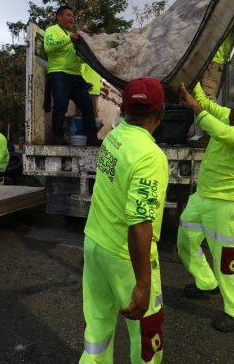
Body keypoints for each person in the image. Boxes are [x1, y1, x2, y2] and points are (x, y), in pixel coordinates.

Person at [80, 78, 168, 363]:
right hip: (125, 258)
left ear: (123, 109)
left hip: (95, 244)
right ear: (161, 111)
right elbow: (140, 223)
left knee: (97, 330)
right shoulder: (150, 156)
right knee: (146, 338)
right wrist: (143, 285)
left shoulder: (114, 136)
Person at [176, 81, 234, 332]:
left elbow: (223, 133)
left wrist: (196, 109)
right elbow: (207, 104)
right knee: (185, 242)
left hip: (228, 204)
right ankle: (206, 283)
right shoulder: (230, 115)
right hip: (202, 196)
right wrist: (192, 83)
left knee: (227, 260)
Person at [44, 5, 100, 146]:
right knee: (61, 104)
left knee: (87, 105)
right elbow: (49, 47)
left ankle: (92, 137)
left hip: (75, 75)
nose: (72, 18)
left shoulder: (69, 35)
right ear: (59, 17)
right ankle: (57, 136)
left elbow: (76, 58)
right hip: (59, 73)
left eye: (72, 16)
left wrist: (87, 58)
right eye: (68, 15)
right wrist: (69, 38)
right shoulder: (52, 30)